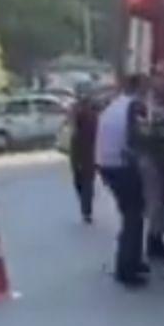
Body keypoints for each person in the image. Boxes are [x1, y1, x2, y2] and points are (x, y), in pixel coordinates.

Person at [95, 74, 151, 288]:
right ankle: (126, 267)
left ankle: (133, 259)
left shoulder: (115, 104)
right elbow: (134, 137)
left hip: (106, 162)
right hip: (121, 164)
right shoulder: (134, 105)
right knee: (133, 214)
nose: (148, 90)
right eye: (146, 86)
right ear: (139, 87)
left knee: (131, 213)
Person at [66, 87, 102, 224]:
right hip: (80, 153)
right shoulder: (79, 113)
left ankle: (86, 210)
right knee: (81, 182)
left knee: (85, 182)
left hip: (87, 153)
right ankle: (86, 207)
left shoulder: (92, 115)